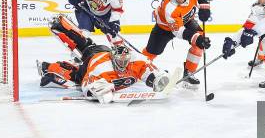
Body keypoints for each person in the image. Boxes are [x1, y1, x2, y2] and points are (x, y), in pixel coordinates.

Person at [38, 15, 171, 103]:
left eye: (125, 61)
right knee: (76, 76)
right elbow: (85, 84)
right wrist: (96, 90)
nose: (123, 64)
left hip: (103, 50)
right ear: (113, 60)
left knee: (85, 43)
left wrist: (157, 78)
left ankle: (62, 25)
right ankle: (46, 67)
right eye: (120, 61)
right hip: (93, 58)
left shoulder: (134, 61)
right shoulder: (101, 69)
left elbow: (147, 67)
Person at [142, 0, 211, 87]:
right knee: (151, 52)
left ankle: (188, 73)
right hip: (164, 27)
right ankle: (139, 70)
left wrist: (205, 7)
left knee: (200, 43)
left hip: (187, 20)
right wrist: (196, 38)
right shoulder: (170, 8)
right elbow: (177, 31)